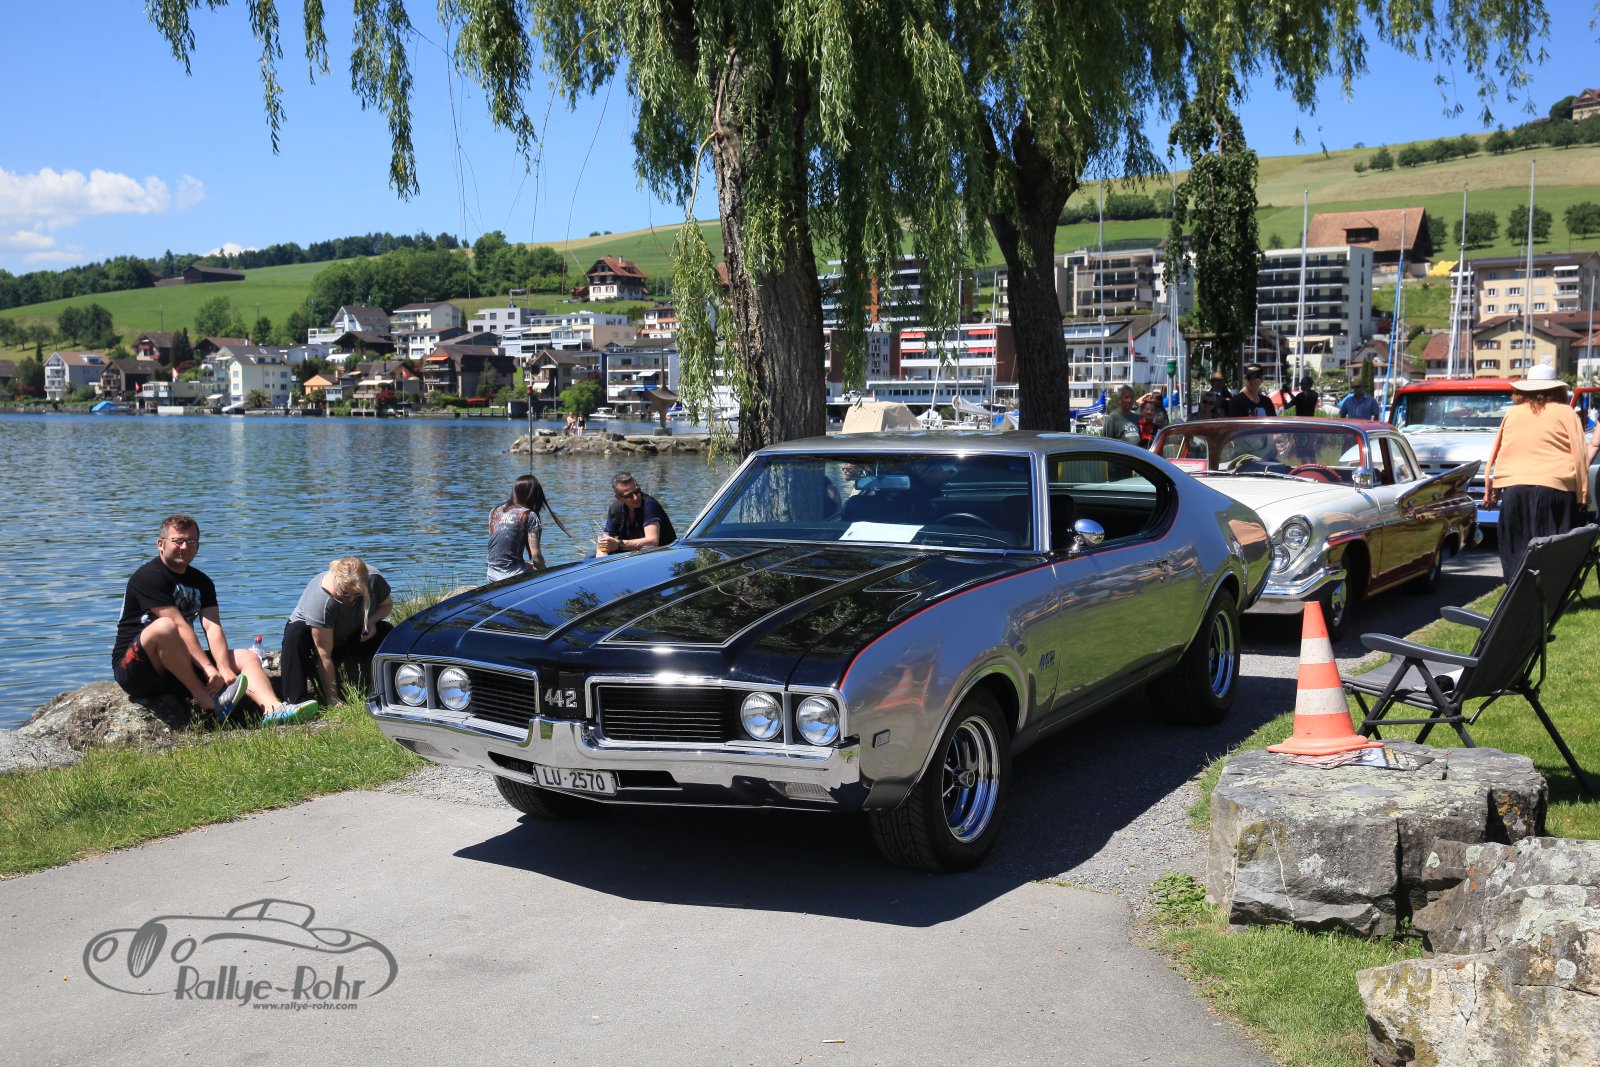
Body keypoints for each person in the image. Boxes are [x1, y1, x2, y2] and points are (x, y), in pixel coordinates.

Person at [112, 514, 308, 723]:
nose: (185, 547)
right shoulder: (149, 577)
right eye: (178, 541)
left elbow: (212, 626)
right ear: (161, 544)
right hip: (137, 669)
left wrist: (223, 667)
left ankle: (274, 710)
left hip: (177, 666)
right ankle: (208, 702)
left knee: (247, 657)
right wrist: (208, 668)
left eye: (191, 541)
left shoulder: (202, 582)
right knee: (165, 627)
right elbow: (178, 625)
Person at [1484, 363, 1589, 579]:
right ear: (1557, 389)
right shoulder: (1566, 413)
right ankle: (1550, 593)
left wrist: (1491, 488)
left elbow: (1500, 451)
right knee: (1554, 553)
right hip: (1556, 486)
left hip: (1515, 488)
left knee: (1516, 552)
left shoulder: (1512, 413)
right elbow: (1580, 455)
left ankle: (1518, 594)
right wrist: (1582, 495)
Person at [280, 557, 394, 707]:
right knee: (295, 634)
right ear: (337, 581)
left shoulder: (374, 579)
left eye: (357, 595)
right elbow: (323, 654)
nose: (350, 599)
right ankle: (295, 703)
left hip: (350, 631)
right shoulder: (321, 599)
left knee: (386, 630)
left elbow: (386, 605)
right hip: (313, 638)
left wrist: (371, 621)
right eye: (345, 594)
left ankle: (391, 689)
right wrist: (333, 699)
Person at [487, 474, 570, 581]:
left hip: (492, 576)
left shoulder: (495, 511)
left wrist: (525, 564)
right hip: (513, 576)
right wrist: (547, 575)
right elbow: (536, 557)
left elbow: (501, 553)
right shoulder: (529, 515)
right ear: (534, 495)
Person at [596, 472, 677, 555]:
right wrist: (603, 552)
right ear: (618, 497)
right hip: (631, 553)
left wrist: (619, 544)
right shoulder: (615, 509)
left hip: (661, 554)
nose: (635, 497)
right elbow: (604, 542)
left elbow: (653, 542)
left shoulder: (650, 504)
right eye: (629, 495)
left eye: (637, 491)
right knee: (591, 557)